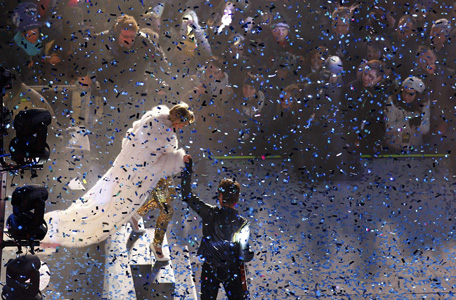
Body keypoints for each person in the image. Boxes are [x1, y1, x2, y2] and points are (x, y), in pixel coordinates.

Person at [41, 103, 194, 248]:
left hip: (121, 168)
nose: (182, 128)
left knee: (106, 197)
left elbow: (128, 139)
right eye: (184, 124)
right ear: (178, 121)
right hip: (135, 179)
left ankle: (133, 217)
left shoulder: (151, 120)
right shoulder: (165, 137)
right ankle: (65, 229)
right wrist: (179, 159)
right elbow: (154, 165)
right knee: (114, 207)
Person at [181, 154, 254, 300]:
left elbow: (187, 195)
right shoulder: (242, 224)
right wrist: (249, 254)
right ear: (236, 199)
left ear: (220, 197)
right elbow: (243, 255)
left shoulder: (209, 213)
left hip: (210, 270)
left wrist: (187, 169)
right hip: (232, 271)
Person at [131, 177, 176, 261]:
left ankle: (137, 215)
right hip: (157, 172)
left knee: (169, 198)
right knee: (167, 210)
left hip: (167, 172)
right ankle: (157, 244)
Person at [384, 76, 430, 153]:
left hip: (415, 147)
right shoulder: (392, 101)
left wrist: (419, 124)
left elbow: (426, 129)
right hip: (394, 147)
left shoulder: (424, 103)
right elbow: (389, 127)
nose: (406, 96)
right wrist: (408, 123)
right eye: (404, 92)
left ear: (417, 94)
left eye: (410, 94)